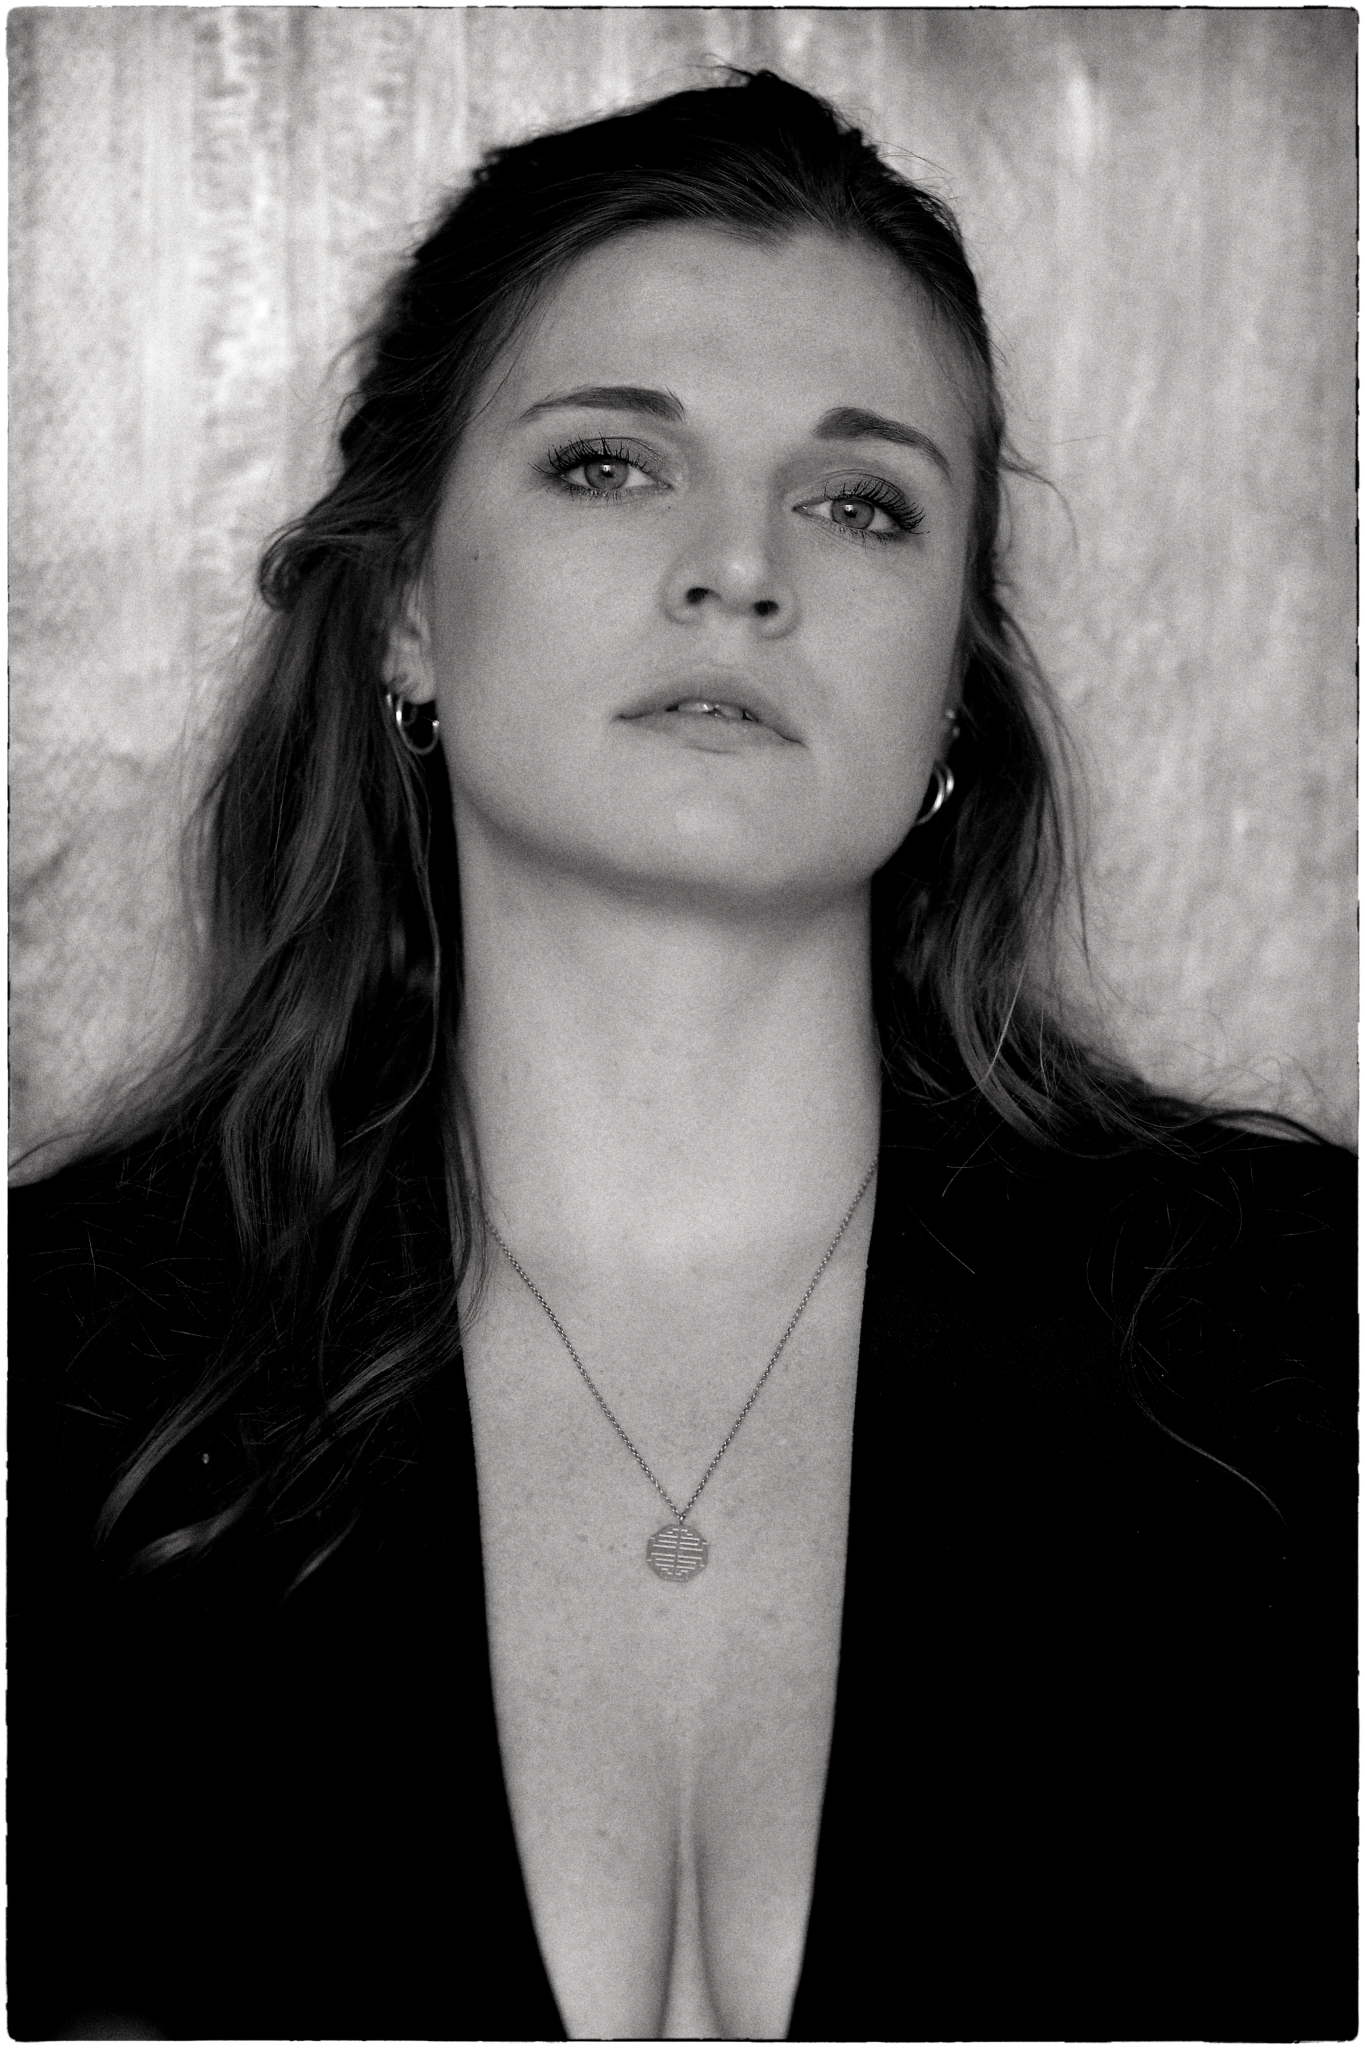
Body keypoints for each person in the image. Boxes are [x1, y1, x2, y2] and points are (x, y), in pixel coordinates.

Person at [8, 69, 1354, 2043]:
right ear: (403, 613)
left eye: (858, 501)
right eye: (607, 465)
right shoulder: (47, 1378)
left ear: (954, 683)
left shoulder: (1305, 1339)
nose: (741, 566)